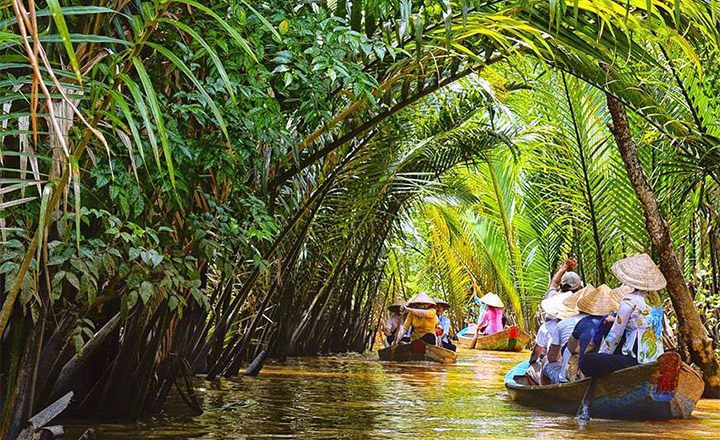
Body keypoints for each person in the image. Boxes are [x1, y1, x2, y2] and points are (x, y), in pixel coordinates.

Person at [580, 254, 666, 378]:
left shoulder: (629, 299)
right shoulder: (656, 300)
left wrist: (602, 356)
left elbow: (615, 334)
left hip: (636, 361)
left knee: (588, 361)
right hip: (656, 358)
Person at [541, 284, 595, 384]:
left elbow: (552, 358)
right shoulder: (603, 322)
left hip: (567, 378)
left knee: (545, 361)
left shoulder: (563, 324)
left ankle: (543, 393)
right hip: (591, 375)